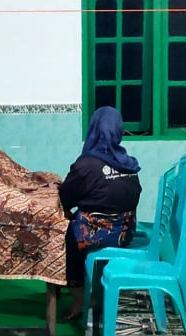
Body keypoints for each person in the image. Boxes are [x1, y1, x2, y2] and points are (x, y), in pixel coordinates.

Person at [58, 106, 142, 320]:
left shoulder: (86, 165)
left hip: (98, 235)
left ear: (93, 130)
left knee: (59, 234)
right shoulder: (128, 163)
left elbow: (66, 198)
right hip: (125, 233)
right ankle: (93, 286)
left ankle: (79, 296)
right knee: (81, 220)